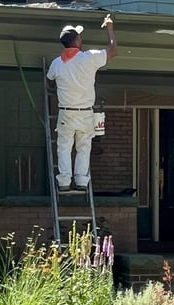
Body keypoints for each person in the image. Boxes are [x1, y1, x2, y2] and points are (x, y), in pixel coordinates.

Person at [47, 15, 118, 192]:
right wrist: (109, 28)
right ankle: (81, 182)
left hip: (66, 112)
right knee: (84, 147)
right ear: (77, 40)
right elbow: (113, 50)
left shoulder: (56, 63)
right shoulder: (89, 58)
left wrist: (59, 86)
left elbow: (49, 83)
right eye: (80, 36)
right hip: (85, 112)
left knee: (64, 147)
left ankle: (64, 182)